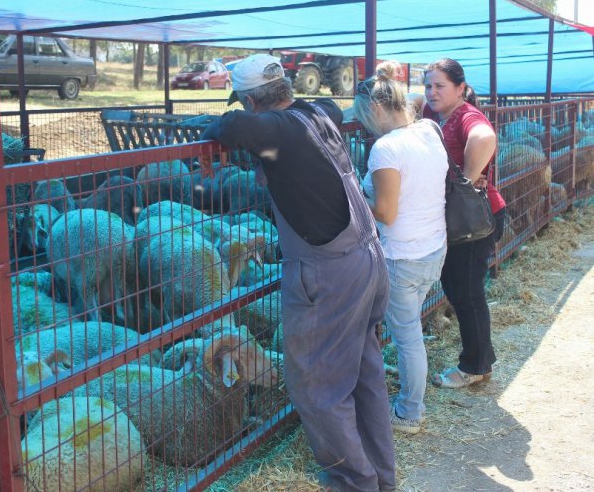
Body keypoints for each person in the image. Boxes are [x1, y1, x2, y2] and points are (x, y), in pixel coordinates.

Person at [202, 54, 395, 492]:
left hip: (328, 274)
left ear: (251, 102)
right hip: (365, 258)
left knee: (318, 388)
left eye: (244, 102)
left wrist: (214, 129)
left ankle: (355, 484)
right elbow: (325, 108)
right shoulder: (315, 113)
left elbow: (233, 128)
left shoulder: (278, 128)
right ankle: (381, 479)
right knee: (364, 376)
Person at [353, 61, 448, 434]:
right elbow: (412, 100)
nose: (362, 124)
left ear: (376, 109)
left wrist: (359, 196)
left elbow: (386, 214)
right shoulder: (429, 129)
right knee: (410, 330)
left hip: (402, 255)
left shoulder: (385, 148)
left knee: (407, 337)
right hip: (433, 248)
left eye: (363, 115)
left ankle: (410, 412)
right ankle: (409, 398)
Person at [411, 58, 507, 389]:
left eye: (440, 86)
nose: (431, 92)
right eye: (428, 86)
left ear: (460, 89)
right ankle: (480, 360)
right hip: (461, 221)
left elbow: (484, 137)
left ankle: (475, 366)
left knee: (466, 292)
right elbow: (410, 101)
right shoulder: (435, 113)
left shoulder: (467, 116)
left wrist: (465, 181)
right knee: (459, 288)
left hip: (476, 219)